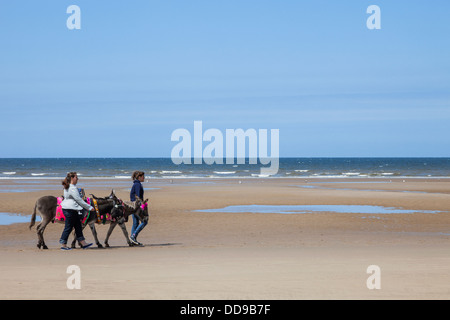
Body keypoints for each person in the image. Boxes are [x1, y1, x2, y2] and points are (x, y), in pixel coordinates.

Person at [59, 172, 94, 250]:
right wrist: (89, 207)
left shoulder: (68, 186)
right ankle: (63, 245)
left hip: (71, 209)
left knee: (78, 226)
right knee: (68, 227)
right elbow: (78, 199)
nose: (77, 179)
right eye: (76, 177)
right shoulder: (72, 188)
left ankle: (83, 243)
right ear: (72, 178)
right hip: (70, 210)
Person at [129, 170, 147, 245]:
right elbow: (137, 197)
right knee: (144, 221)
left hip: (134, 206)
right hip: (137, 206)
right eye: (143, 176)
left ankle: (132, 241)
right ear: (139, 177)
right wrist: (141, 205)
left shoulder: (136, 184)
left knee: (135, 223)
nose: (144, 178)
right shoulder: (137, 185)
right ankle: (133, 236)